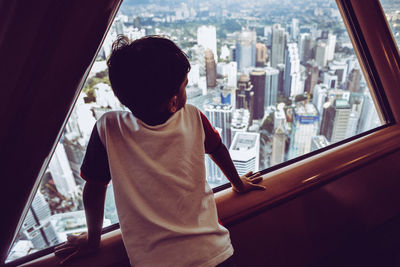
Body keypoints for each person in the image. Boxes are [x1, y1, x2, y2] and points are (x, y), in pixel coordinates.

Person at [55, 35, 265, 267]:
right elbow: (218, 149)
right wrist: (238, 183)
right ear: (173, 102)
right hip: (214, 251)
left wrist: (94, 240)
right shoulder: (193, 116)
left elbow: (94, 189)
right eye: (185, 86)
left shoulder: (108, 128)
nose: (187, 91)